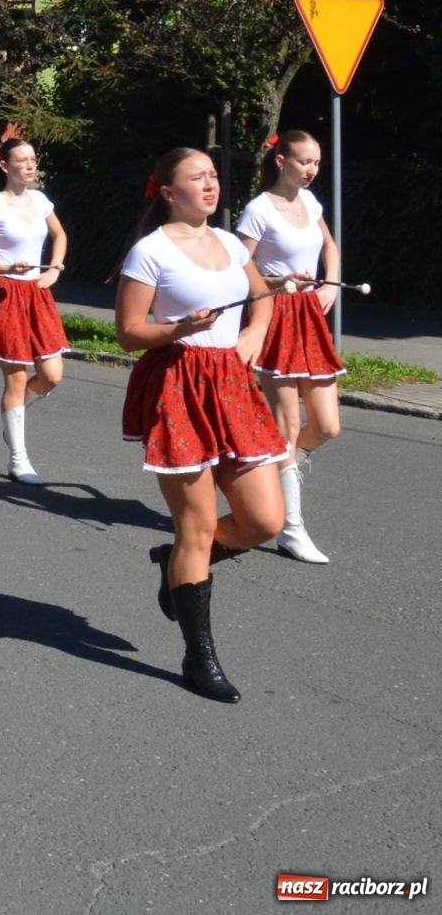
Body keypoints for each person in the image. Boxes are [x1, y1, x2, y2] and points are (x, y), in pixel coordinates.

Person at [116, 147, 288, 703]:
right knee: (195, 526)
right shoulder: (150, 252)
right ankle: (199, 657)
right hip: (178, 385)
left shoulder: (233, 242)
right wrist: (176, 329)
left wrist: (254, 334)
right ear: (168, 191)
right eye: (197, 177)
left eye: (213, 176)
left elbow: (261, 299)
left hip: (232, 385)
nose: (210, 185)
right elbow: (128, 333)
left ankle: (174, 565)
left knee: (264, 520)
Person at [236, 130, 344, 564]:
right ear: (281, 161)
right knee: (286, 425)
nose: (312, 170)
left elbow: (330, 246)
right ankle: (291, 528)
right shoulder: (258, 210)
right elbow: (238, 270)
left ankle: (284, 468)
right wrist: (276, 282)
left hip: (310, 318)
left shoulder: (310, 203)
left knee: (327, 426)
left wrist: (331, 285)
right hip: (275, 316)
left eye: (316, 162)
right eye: (304, 162)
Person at [0, 138, 69, 484]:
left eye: (33, 160)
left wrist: (54, 268)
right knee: (16, 377)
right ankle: (18, 458)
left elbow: (60, 235)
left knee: (52, 375)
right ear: (4, 166)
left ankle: (13, 413)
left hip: (37, 295)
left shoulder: (40, 200)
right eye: (22, 160)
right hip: (6, 295)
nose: (30, 165)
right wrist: (7, 269)